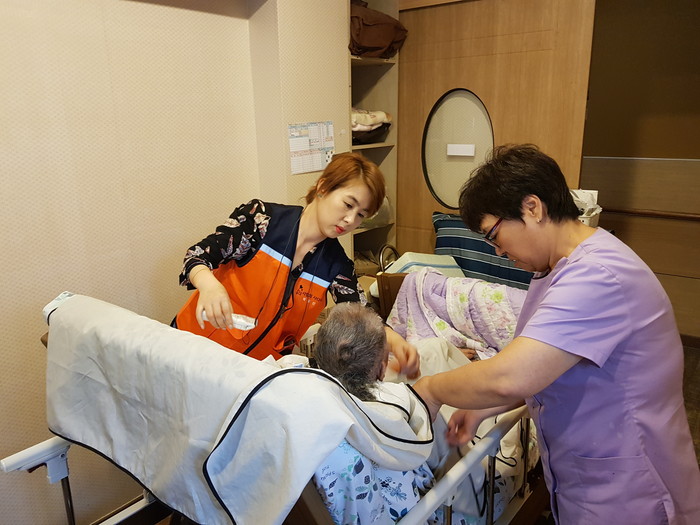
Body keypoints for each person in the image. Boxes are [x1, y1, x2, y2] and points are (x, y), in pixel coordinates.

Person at [413, 144, 700, 525]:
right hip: (588, 473)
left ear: (533, 208)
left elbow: (511, 374)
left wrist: (429, 390)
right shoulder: (555, 270)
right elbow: (548, 363)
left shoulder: (596, 276)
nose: (497, 251)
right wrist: (484, 408)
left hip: (629, 486)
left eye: (494, 235)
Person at [174, 152, 419, 376]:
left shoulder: (336, 264)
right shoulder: (263, 222)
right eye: (348, 204)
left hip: (249, 373)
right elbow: (196, 256)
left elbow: (362, 314)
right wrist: (209, 285)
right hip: (192, 351)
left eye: (361, 215)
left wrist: (395, 341)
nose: (350, 219)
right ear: (323, 187)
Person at [313, 302, 474, 525]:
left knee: (434, 347)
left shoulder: (304, 395)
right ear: (382, 370)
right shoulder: (404, 412)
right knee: (436, 348)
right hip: (427, 501)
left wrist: (395, 341)